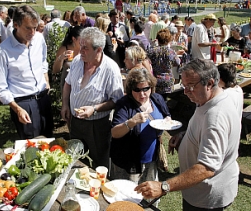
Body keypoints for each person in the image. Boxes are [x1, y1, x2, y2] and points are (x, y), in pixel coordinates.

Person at [135, 59, 241, 210]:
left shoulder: (215, 117)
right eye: (184, 86)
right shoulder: (209, 99)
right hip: (199, 190)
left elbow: (206, 168)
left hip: (206, 196)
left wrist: (164, 186)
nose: (185, 92)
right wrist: (185, 136)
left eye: (190, 86)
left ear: (210, 83)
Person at [61, 27, 124, 168]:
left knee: (97, 163)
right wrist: (65, 104)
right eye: (81, 46)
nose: (81, 50)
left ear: (99, 50)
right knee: (76, 159)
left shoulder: (110, 69)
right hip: (75, 122)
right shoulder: (77, 60)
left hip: (97, 126)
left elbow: (116, 100)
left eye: (86, 48)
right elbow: (67, 84)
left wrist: (94, 109)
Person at [0, 5, 54, 139]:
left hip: (43, 99)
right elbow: (1, 87)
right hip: (23, 104)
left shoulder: (39, 39)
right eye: (28, 28)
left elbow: (43, 62)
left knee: (49, 142)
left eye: (35, 27)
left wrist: (46, 80)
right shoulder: (3, 51)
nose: (32, 32)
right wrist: (17, 109)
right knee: (31, 148)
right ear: (16, 25)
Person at [110, 68, 170, 196]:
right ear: (131, 90)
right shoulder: (124, 105)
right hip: (128, 161)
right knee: (127, 196)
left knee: (149, 195)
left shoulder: (157, 99)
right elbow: (114, 133)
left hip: (151, 160)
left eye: (146, 89)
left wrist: (167, 121)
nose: (142, 94)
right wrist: (131, 122)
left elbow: (166, 115)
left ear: (151, 87)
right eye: (137, 90)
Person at [147, 28, 180, 97]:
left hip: (155, 80)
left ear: (157, 39)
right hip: (167, 80)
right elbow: (177, 62)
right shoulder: (171, 52)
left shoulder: (152, 51)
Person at [52, 26, 84, 92]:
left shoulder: (85, 50)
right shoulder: (64, 49)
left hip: (82, 83)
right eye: (81, 40)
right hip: (67, 85)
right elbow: (55, 70)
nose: (84, 43)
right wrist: (61, 58)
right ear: (74, 39)